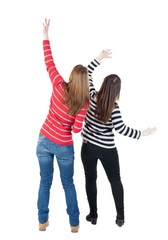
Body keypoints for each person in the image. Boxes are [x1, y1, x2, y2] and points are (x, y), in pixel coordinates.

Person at [80, 49, 157, 227]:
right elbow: (121, 129)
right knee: (115, 180)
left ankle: (93, 215)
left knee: (90, 179)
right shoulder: (114, 109)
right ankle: (120, 216)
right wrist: (142, 133)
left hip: (88, 147)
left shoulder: (92, 97)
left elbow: (87, 73)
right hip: (107, 150)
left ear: (103, 84)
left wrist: (99, 58)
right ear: (117, 90)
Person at [36, 19, 89, 233]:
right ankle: (74, 224)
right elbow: (76, 130)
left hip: (44, 141)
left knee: (45, 182)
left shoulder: (58, 85)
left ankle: (42, 222)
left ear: (70, 77)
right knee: (68, 184)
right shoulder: (82, 103)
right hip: (64, 147)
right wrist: (79, 118)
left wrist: (45, 35)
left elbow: (49, 62)